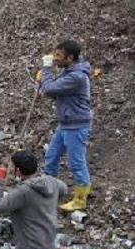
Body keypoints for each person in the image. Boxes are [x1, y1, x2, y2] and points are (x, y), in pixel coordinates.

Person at [40, 40, 93, 212]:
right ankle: (49, 189)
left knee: (76, 163)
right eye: (54, 55)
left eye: (59, 56)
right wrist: (46, 82)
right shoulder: (69, 70)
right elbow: (54, 91)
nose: (55, 59)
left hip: (77, 125)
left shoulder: (76, 76)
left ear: (70, 58)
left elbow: (49, 89)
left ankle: (80, 199)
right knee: (51, 156)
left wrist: (46, 70)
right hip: (66, 123)